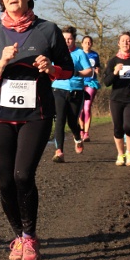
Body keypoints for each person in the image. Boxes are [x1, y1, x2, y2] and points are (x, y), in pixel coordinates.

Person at [0, 0, 74, 260]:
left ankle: (30, 238)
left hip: (36, 114)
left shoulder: (48, 30)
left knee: (22, 175)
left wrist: (51, 68)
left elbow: (68, 70)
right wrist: (2, 62)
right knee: (5, 179)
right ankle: (18, 236)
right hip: (0, 115)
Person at [102, 31, 130, 167]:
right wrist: (115, 72)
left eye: (128, 41)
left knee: (129, 126)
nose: (125, 43)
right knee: (118, 128)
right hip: (116, 99)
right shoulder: (113, 61)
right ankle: (120, 154)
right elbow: (106, 82)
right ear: (118, 43)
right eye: (123, 40)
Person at [52, 26, 93, 160]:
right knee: (60, 119)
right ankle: (59, 151)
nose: (67, 41)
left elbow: (89, 71)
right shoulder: (55, 53)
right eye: (64, 39)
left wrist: (77, 73)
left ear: (74, 40)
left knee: (72, 121)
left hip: (76, 91)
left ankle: (77, 137)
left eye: (69, 39)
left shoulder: (80, 53)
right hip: (58, 89)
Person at [79, 34, 101, 142]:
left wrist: (98, 70)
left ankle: (86, 133)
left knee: (87, 107)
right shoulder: (78, 54)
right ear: (82, 44)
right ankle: (81, 131)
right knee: (80, 108)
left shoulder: (95, 55)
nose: (88, 44)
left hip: (91, 83)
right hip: (79, 83)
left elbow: (98, 67)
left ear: (91, 44)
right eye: (86, 42)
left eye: (89, 42)